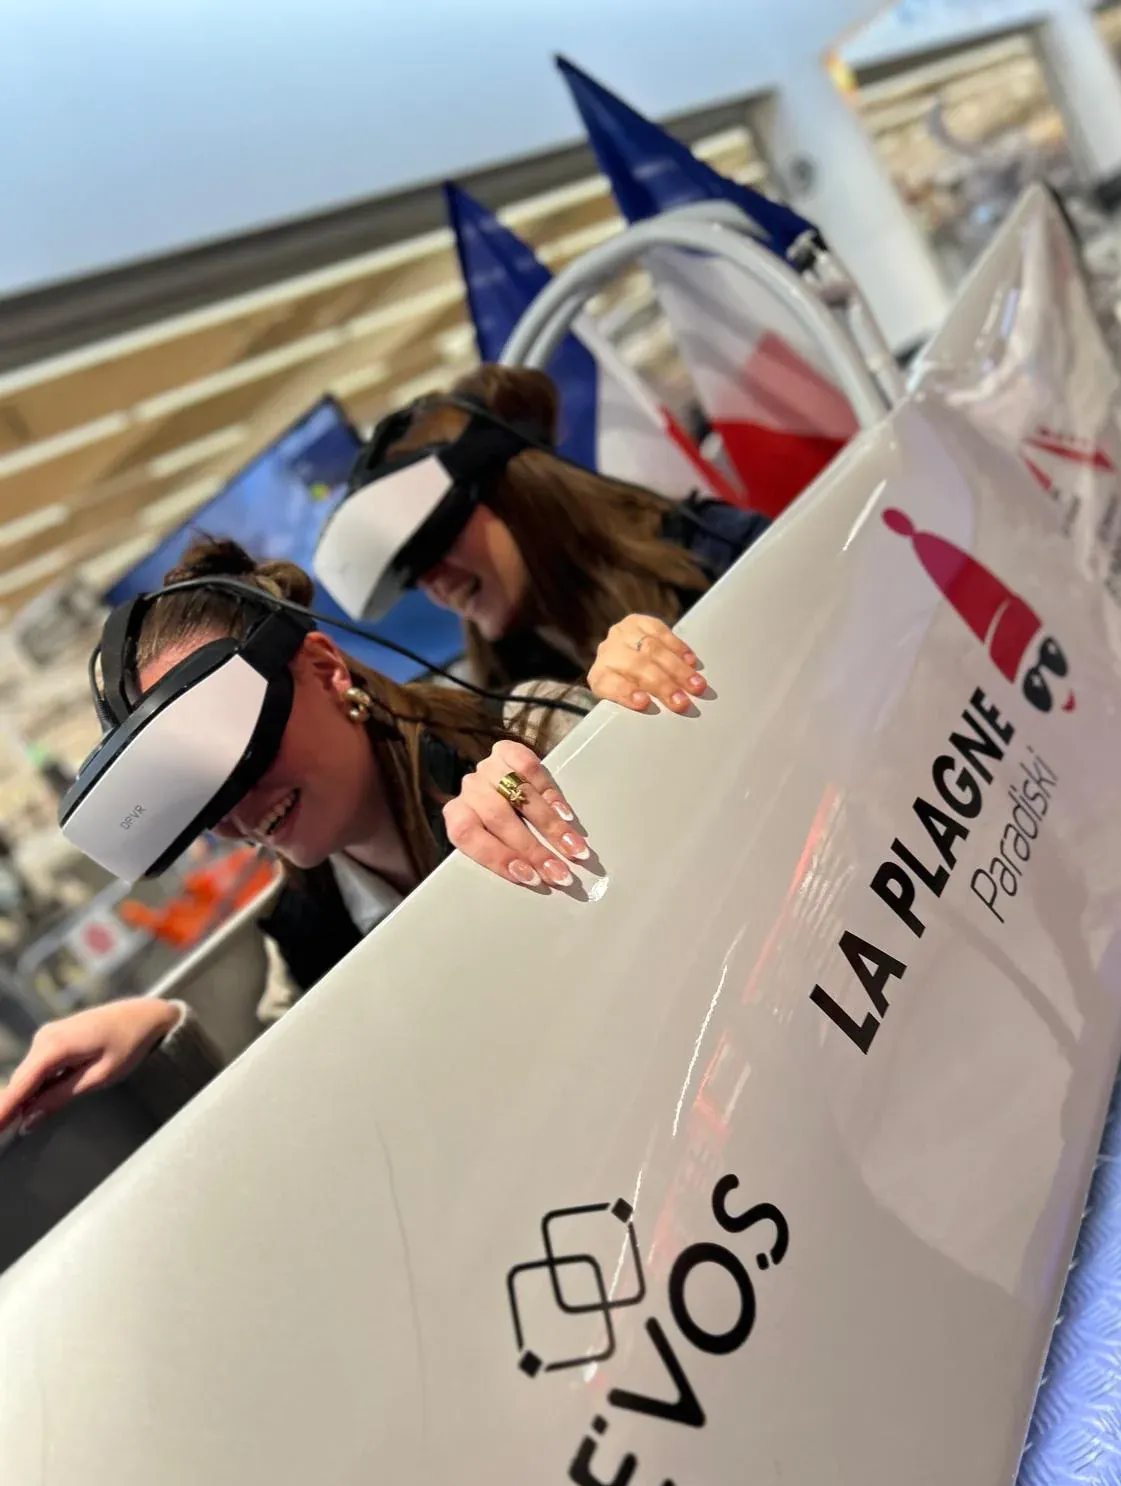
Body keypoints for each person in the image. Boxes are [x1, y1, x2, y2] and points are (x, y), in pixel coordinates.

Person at [0, 534, 698, 1135]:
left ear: (328, 670)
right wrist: (163, 1038)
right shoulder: (304, 941)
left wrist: (626, 733)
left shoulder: (527, 732)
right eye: (203, 803)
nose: (241, 815)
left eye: (241, 751)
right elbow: (313, 1108)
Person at [319, 362, 771, 713]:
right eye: (411, 574)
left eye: (435, 541)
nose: (435, 581)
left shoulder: (713, 551)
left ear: (513, 493)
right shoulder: (512, 699)